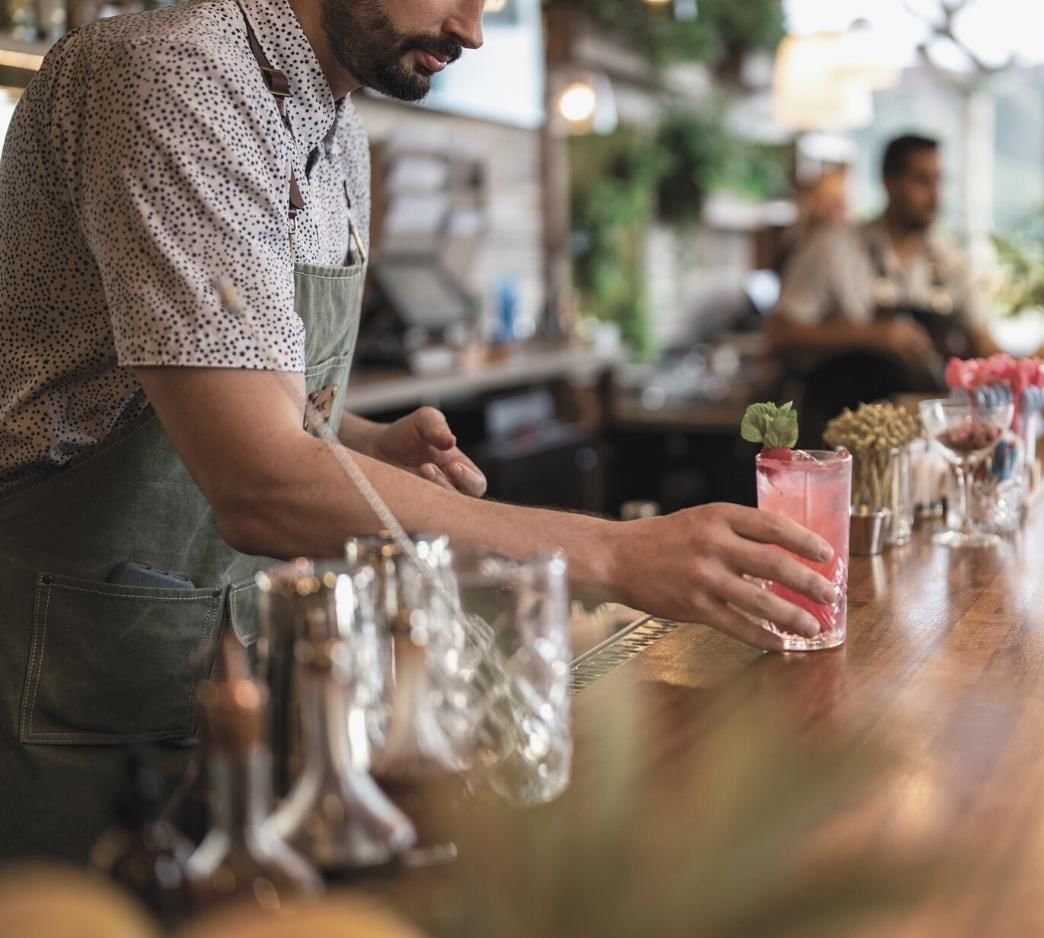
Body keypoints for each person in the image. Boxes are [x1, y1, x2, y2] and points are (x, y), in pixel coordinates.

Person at [0, 0, 836, 861]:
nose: (473, 30)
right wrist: (615, 556)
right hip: (65, 667)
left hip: (224, 660)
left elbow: (230, 396)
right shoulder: (177, 75)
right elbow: (258, 484)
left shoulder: (337, 127)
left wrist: (354, 440)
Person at [768, 134, 998, 442]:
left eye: (939, 181)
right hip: (834, 435)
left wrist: (1020, 372)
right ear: (890, 181)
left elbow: (981, 341)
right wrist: (874, 335)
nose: (935, 195)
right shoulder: (833, 247)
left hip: (923, 441)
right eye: (922, 181)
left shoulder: (950, 262)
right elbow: (779, 334)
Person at [772, 166, 849, 277]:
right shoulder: (796, 243)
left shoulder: (849, 247)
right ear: (814, 202)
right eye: (831, 202)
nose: (838, 211)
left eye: (841, 203)